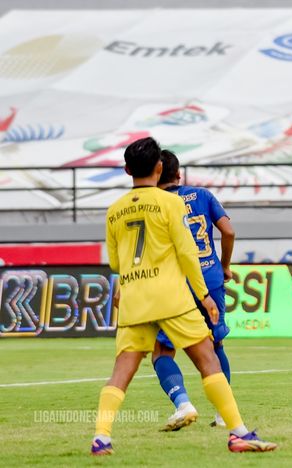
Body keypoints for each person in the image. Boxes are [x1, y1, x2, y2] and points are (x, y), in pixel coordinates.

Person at [92, 137, 276, 456]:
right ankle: (238, 433)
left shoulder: (114, 210)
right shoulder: (171, 203)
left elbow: (116, 263)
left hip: (135, 297)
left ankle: (101, 437)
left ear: (126, 169)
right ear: (159, 167)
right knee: (207, 356)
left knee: (123, 368)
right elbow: (187, 252)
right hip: (170, 296)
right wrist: (204, 296)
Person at [152, 150, 235, 431]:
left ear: (155, 174)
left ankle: (183, 403)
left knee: (163, 349)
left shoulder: (156, 203)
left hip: (176, 283)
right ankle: (225, 414)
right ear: (178, 174)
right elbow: (229, 231)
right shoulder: (202, 195)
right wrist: (224, 266)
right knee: (216, 345)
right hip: (210, 278)